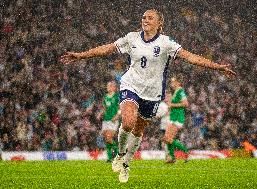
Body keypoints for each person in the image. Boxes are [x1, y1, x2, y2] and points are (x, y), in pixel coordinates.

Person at [60, 9, 236, 183]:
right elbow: (107, 48)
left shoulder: (166, 43)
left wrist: (216, 66)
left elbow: (190, 57)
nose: (145, 20)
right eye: (144, 17)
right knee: (128, 122)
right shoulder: (131, 38)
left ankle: (126, 163)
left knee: (138, 130)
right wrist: (81, 55)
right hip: (131, 85)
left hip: (152, 93)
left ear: (159, 23)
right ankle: (120, 155)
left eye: (150, 18)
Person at [163, 75, 190, 163]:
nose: (171, 83)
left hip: (177, 117)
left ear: (178, 82)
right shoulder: (176, 91)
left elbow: (185, 104)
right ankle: (172, 157)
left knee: (168, 138)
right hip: (173, 116)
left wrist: (172, 105)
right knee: (167, 138)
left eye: (173, 81)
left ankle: (185, 151)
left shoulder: (180, 91)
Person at [96, 81, 120, 162]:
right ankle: (110, 158)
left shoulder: (117, 97)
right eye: (107, 86)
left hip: (113, 120)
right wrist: (100, 114)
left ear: (114, 87)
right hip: (106, 119)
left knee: (109, 138)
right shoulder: (105, 97)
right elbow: (104, 108)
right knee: (106, 139)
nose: (108, 87)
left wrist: (117, 116)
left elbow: (121, 108)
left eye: (109, 86)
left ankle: (118, 153)